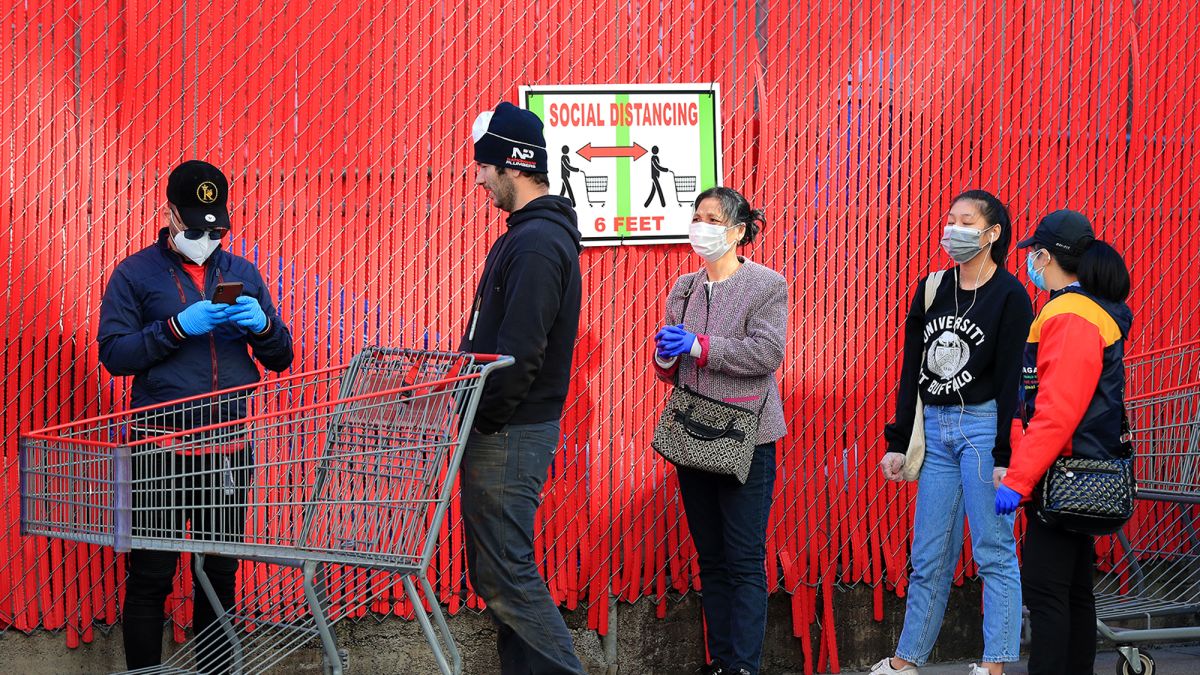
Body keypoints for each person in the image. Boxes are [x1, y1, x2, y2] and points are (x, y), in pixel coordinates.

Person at [97, 160, 293, 670]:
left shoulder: (241, 274)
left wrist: (264, 325)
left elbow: (281, 357)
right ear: (169, 214)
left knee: (218, 577)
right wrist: (176, 328)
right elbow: (115, 354)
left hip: (227, 451)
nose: (206, 237)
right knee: (151, 575)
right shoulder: (134, 274)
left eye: (216, 228)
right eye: (194, 227)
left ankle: (215, 670)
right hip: (160, 449)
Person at [874, 191, 1033, 675]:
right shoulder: (932, 287)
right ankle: (906, 661)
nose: (953, 229)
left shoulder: (1010, 295)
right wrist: (898, 440)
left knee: (992, 550)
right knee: (929, 556)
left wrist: (1007, 451)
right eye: (950, 219)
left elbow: (1012, 378)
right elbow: (911, 371)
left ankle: (995, 664)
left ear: (992, 234)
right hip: (937, 430)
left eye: (967, 221)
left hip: (984, 430)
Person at [461, 101, 585, 674]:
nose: (480, 177)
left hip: (509, 429)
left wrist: (485, 418)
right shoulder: (528, 236)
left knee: (506, 570)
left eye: (484, 166)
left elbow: (520, 352)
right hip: (504, 426)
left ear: (511, 165)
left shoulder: (536, 243)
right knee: (497, 570)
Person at [652, 186, 787, 675]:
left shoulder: (767, 285)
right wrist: (666, 356)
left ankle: (743, 667)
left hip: (747, 437)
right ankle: (721, 660)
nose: (701, 226)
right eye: (697, 215)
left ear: (736, 231)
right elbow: (671, 368)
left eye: (712, 218)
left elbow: (766, 355)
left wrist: (700, 346)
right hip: (692, 432)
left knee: (744, 559)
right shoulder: (684, 288)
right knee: (710, 558)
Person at [995, 209, 1133, 675]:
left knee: (1046, 592)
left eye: (1034, 254)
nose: (1031, 264)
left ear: (1045, 256)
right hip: (1083, 472)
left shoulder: (1070, 313)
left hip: (1065, 473)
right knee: (1074, 592)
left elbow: (1057, 410)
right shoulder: (1088, 310)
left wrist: (1019, 478)